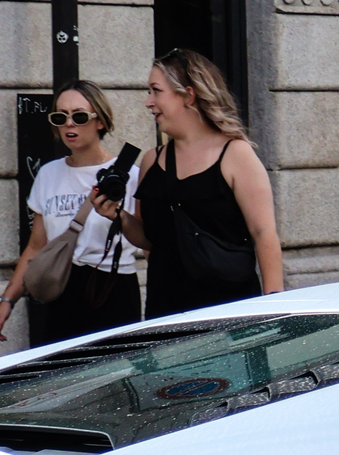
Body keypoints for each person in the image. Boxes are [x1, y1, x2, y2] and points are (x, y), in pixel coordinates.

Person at [98, 48, 282, 319]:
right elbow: (149, 239)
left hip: (230, 313)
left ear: (188, 95)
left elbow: (264, 233)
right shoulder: (152, 160)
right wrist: (118, 216)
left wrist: (273, 309)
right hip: (166, 311)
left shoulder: (235, 154)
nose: (148, 102)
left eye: (156, 90)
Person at [0, 80, 141, 347]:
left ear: (100, 122)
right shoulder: (48, 173)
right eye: (60, 117)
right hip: (62, 289)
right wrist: (7, 300)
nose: (69, 124)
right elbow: (36, 246)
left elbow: (148, 241)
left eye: (79, 116)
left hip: (113, 287)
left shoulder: (129, 175)